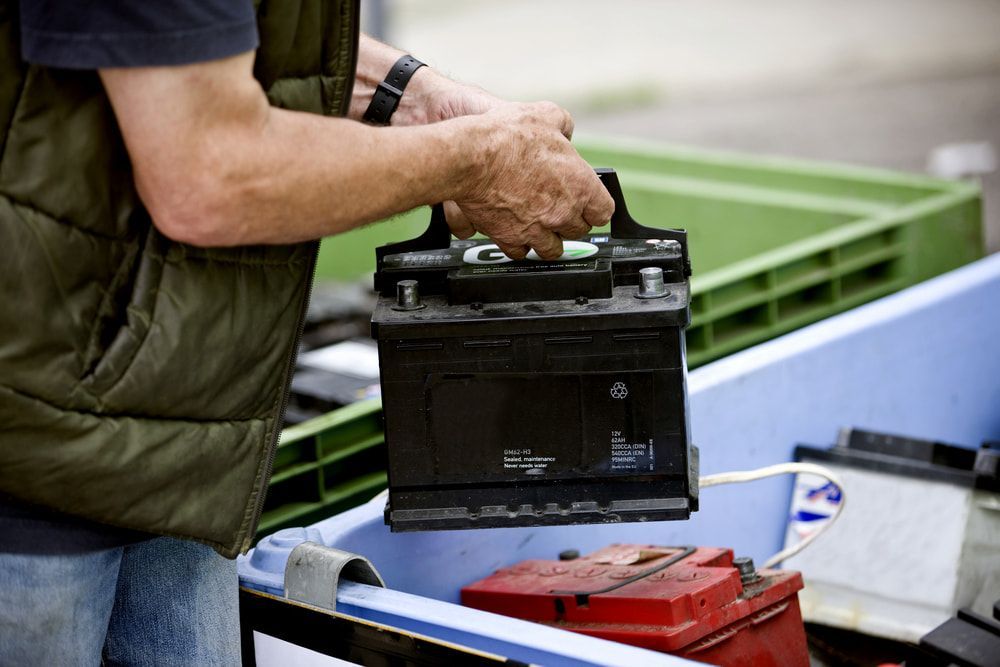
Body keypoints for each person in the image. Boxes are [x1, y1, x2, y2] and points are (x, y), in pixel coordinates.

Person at [0, 0, 614, 663]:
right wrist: (475, 160)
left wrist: (409, 96)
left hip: (184, 441)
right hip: (34, 462)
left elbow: (214, 33)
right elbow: (211, 172)